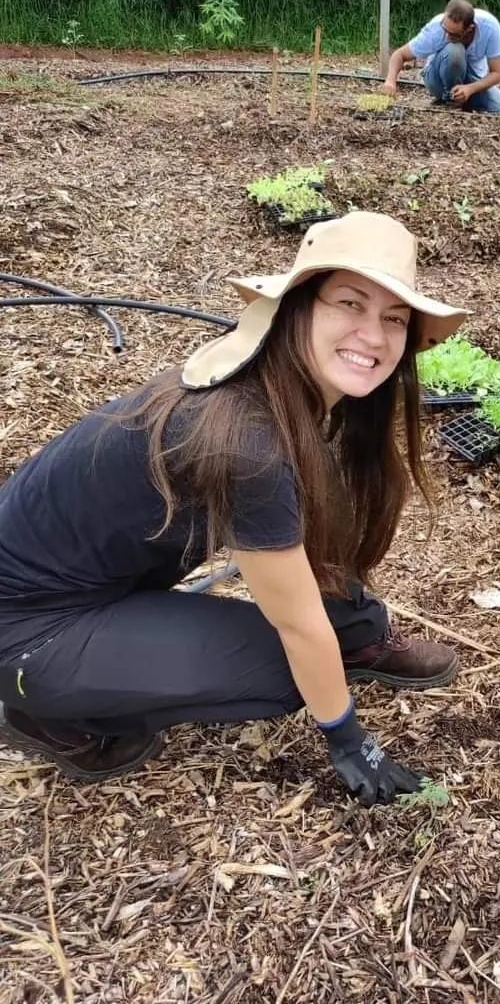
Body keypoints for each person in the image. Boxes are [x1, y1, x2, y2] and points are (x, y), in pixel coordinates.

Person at [0, 213, 469, 805]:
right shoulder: (244, 439)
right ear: (296, 307)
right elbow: (297, 625)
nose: (374, 336)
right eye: (350, 303)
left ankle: (358, 636)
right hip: (29, 628)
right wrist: (349, 739)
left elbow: (310, 521)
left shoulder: (283, 382)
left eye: (394, 318)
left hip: (101, 584)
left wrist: (342, 625)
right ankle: (47, 714)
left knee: (321, 636)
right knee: (289, 673)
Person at [380, 0, 500, 116]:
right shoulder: (436, 28)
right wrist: (390, 81)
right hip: (437, 78)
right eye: (446, 30)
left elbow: (497, 73)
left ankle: (462, 99)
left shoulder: (490, 27)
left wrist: (470, 89)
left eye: (454, 34)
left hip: (471, 79)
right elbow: (399, 55)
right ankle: (450, 101)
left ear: (469, 29)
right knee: (454, 50)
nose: (448, 36)